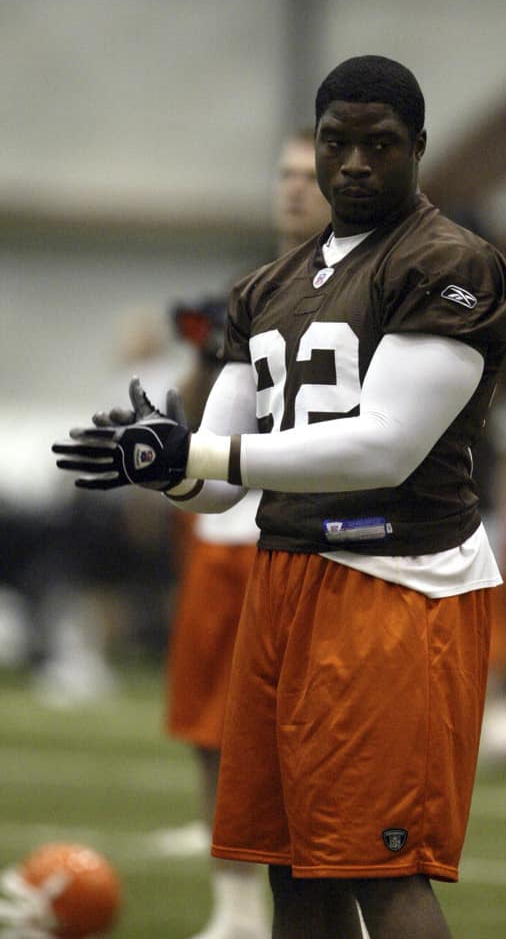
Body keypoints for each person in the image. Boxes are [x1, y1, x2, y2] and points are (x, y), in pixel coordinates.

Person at [54, 55, 506, 939]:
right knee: (292, 868)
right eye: (335, 143)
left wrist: (201, 448)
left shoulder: (450, 262)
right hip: (287, 577)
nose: (351, 164)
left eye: (376, 145)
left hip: (395, 583)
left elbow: (385, 443)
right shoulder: (265, 288)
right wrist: (165, 467)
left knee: (382, 869)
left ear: (416, 147)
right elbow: (221, 484)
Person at [164, 129, 331, 939]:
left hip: (315, 539)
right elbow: (194, 423)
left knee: (316, 736)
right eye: (286, 173)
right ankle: (234, 909)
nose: (294, 188)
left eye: (310, 174)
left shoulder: (372, 288)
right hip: (225, 534)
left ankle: (339, 899)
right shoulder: (244, 289)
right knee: (208, 725)